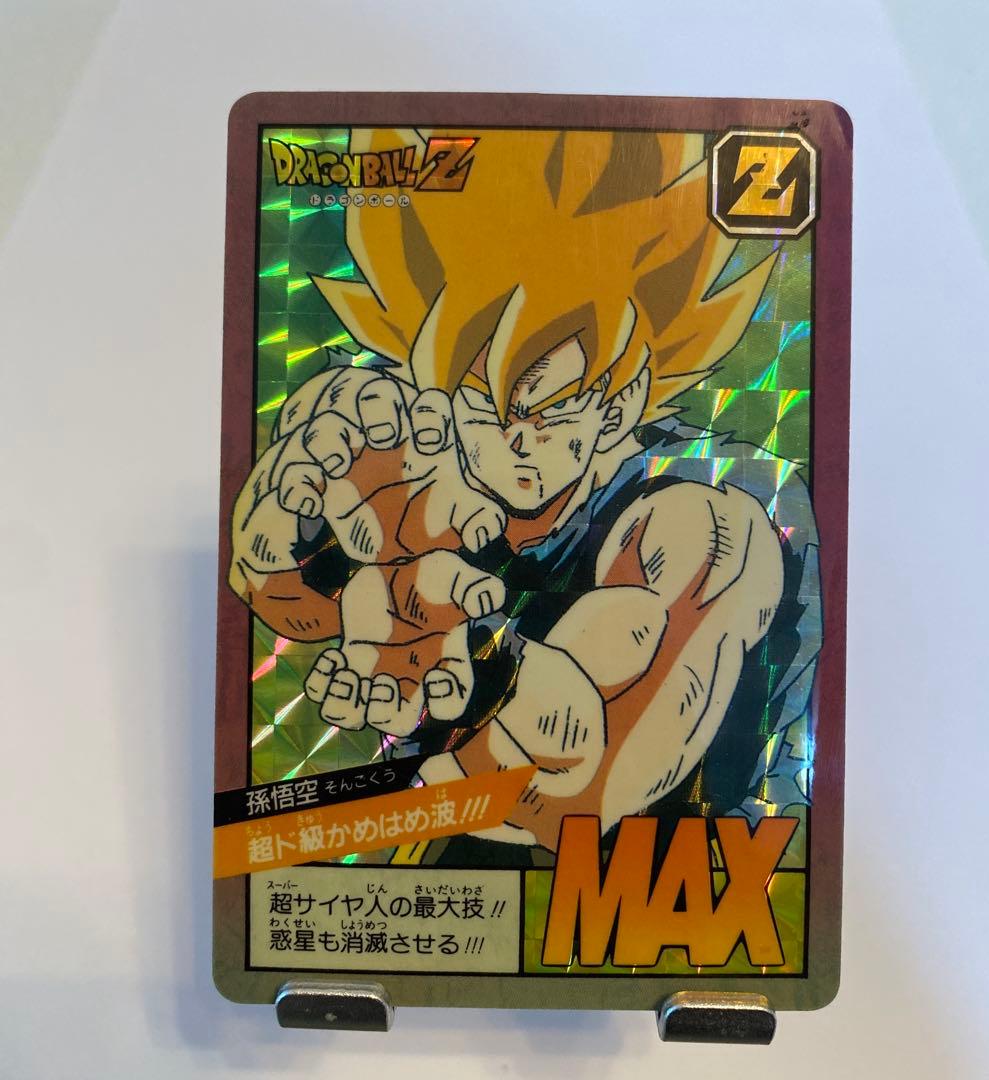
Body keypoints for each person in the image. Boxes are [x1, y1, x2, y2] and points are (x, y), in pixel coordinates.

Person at [229, 127, 820, 854]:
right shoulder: (420, 467)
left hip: (667, 895)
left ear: (618, 404)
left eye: (550, 411)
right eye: (483, 407)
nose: (513, 441)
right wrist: (283, 533)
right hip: (439, 881)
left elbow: (570, 795)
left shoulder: (706, 516)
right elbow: (287, 604)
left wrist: (485, 654)